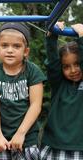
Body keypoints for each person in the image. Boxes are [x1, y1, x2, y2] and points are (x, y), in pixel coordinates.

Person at [0, 22, 46, 160]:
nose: (10, 50)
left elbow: (36, 105)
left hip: (27, 139)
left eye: (16, 46)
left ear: (26, 51)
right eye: (4, 45)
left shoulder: (33, 71)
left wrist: (21, 133)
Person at [41, 22, 83, 159]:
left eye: (77, 64)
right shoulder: (59, 84)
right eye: (66, 67)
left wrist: (82, 36)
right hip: (55, 146)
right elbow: (52, 61)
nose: (73, 70)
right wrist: (52, 35)